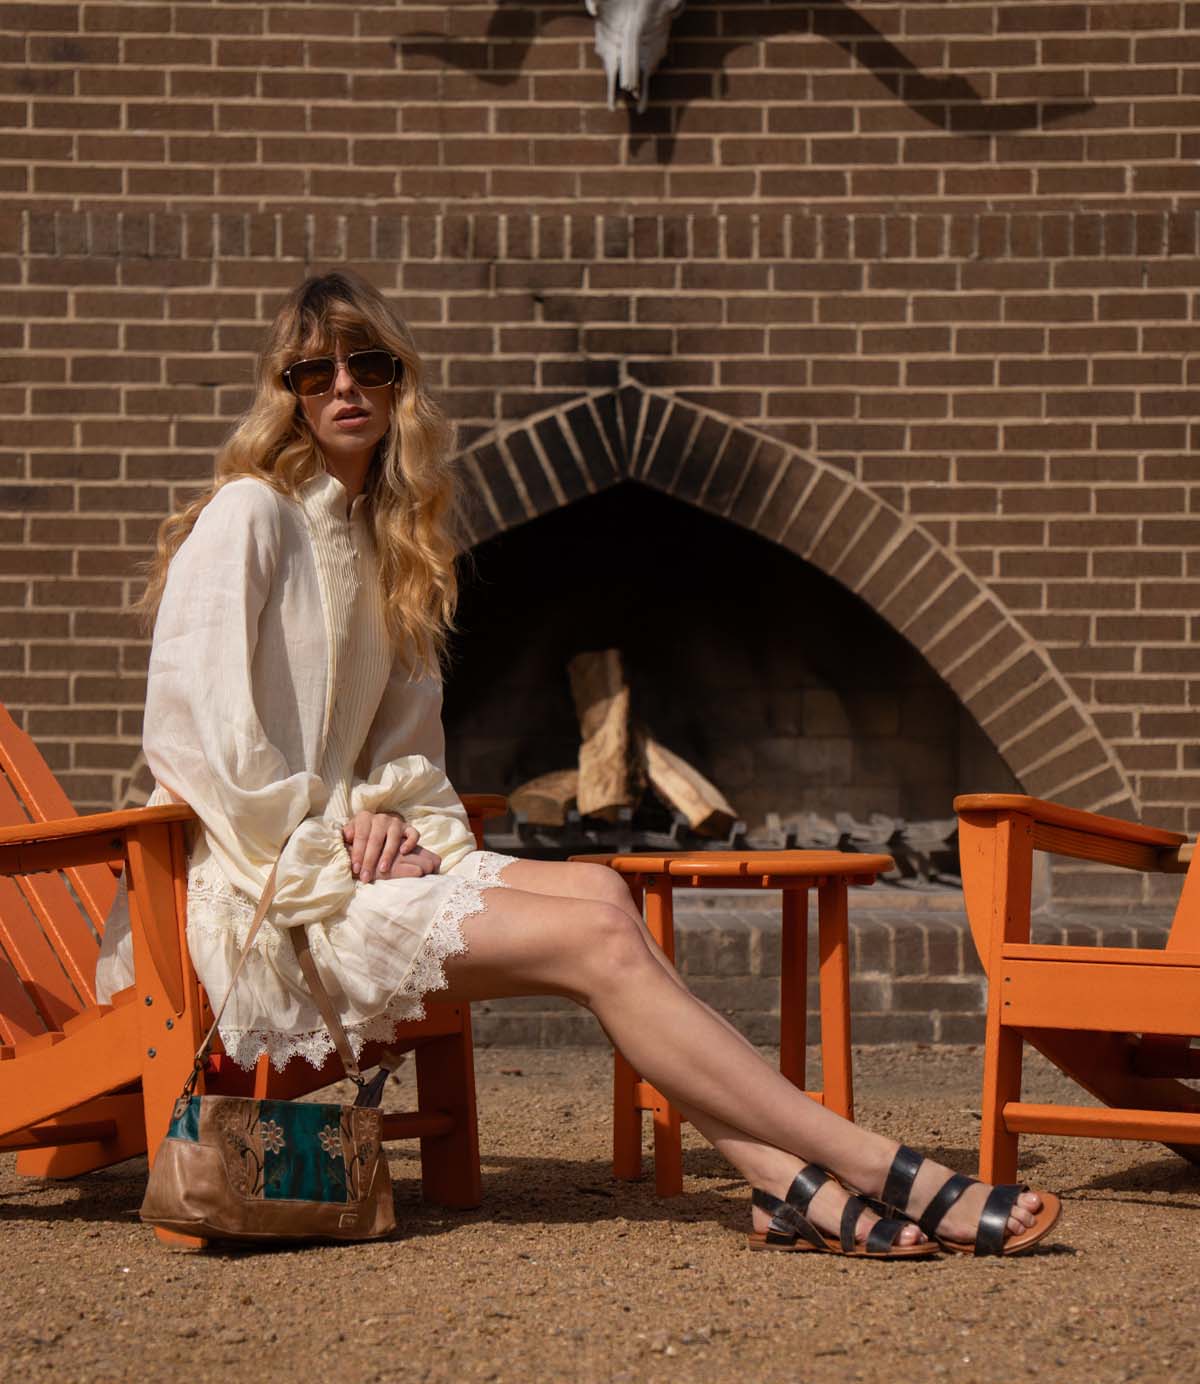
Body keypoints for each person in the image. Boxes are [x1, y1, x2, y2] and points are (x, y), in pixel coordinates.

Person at [97, 269, 1060, 1259]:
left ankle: (784, 1180)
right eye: (315, 372)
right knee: (598, 948)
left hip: (341, 866)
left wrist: (382, 814)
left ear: (397, 386)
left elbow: (400, 754)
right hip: (254, 892)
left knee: (603, 892)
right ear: (288, 393)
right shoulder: (250, 515)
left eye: (368, 364)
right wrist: (334, 832)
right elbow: (195, 735)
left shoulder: (394, 543)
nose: (344, 387)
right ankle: (876, 1165)